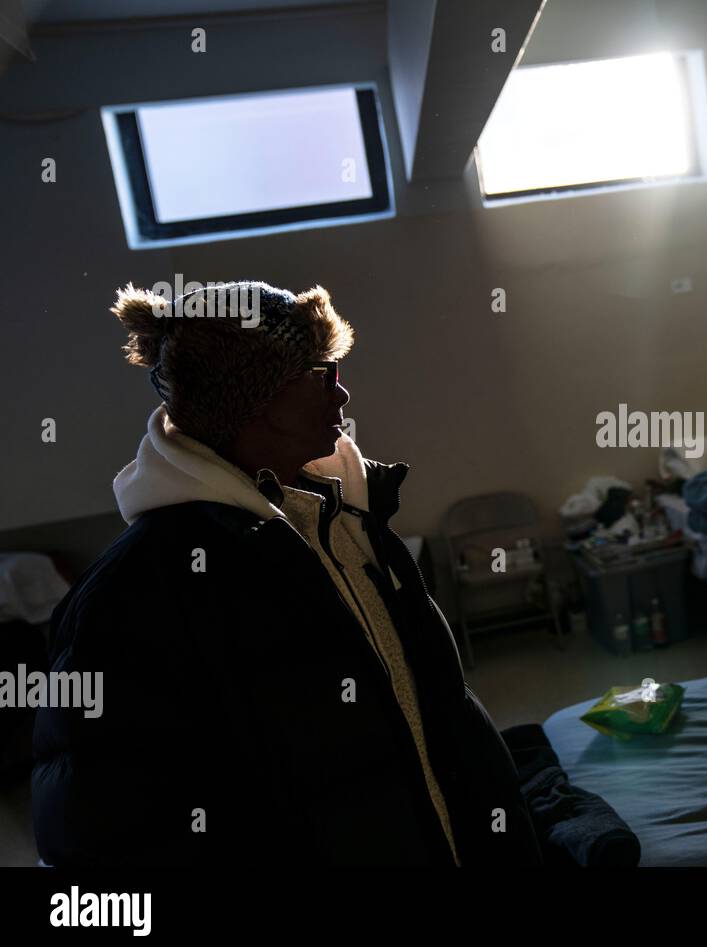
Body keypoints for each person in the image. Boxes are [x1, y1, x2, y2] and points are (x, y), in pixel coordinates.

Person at [31, 281, 542, 866]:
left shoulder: (349, 517)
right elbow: (97, 837)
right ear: (258, 398)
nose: (343, 394)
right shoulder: (131, 599)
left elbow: (436, 719)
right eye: (323, 374)